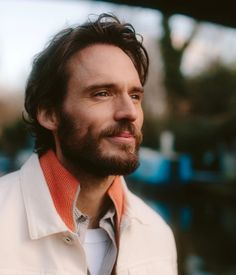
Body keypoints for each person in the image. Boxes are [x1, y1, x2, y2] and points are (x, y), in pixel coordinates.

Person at [0, 13, 177, 275]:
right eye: (102, 93)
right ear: (50, 114)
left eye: (135, 95)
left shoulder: (157, 235)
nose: (129, 112)